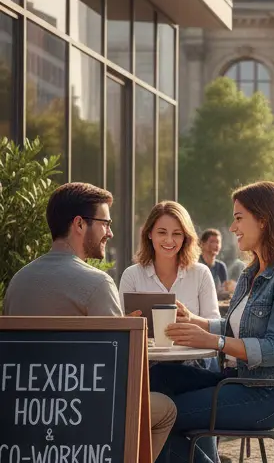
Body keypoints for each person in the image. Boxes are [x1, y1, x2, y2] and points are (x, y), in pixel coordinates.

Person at [1, 182, 177, 460]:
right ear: (79, 224)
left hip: (25, 417)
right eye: (105, 223)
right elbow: (120, 371)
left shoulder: (18, 281)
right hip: (85, 416)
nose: (110, 232)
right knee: (166, 408)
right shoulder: (96, 283)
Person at [149, 181, 274, 463]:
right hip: (234, 381)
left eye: (239, 218)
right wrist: (197, 322)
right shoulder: (251, 274)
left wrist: (216, 342)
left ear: (263, 221)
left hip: (263, 397)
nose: (233, 227)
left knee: (155, 417)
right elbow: (235, 326)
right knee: (159, 376)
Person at [119, 201, 220, 322]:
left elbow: (215, 325)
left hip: (190, 342)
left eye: (177, 234)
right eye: (162, 232)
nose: (169, 240)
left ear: (185, 237)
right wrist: (125, 322)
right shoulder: (131, 276)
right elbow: (121, 327)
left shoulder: (201, 273)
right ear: (150, 233)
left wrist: (191, 319)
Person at [198, 229, 230, 296]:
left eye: (218, 242)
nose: (216, 245)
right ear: (202, 244)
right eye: (212, 242)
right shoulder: (196, 264)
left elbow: (225, 289)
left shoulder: (221, 266)